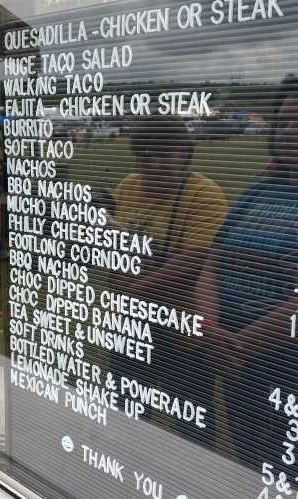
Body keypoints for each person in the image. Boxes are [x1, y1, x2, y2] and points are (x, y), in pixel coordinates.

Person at [196, 74, 298, 469]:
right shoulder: (260, 189)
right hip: (235, 361)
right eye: (285, 121)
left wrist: (240, 346)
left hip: (281, 364)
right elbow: (213, 261)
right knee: (251, 464)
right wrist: (209, 327)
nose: (291, 131)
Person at [111, 115, 228, 444]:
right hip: (133, 327)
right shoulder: (128, 187)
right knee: (125, 416)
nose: (153, 163)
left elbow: (194, 263)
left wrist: (131, 290)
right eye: (144, 154)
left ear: (186, 154)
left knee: (193, 432)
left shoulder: (205, 196)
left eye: (164, 154)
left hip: (182, 337)